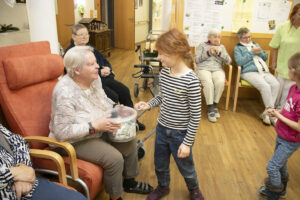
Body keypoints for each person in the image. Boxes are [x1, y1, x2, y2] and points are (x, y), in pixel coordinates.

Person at [49, 46, 153, 200]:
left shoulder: (94, 79)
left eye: (96, 62)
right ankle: (115, 198)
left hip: (97, 128)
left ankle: (130, 182)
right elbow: (62, 132)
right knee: (114, 158)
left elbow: (103, 101)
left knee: (128, 139)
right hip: (73, 140)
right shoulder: (65, 92)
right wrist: (94, 126)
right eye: (91, 64)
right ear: (77, 70)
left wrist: (115, 108)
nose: (98, 66)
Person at [135, 28, 204, 200]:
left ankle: (194, 189)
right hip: (161, 129)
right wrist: (148, 105)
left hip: (180, 134)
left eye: (161, 54)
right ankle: (163, 186)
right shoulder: (165, 72)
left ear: (176, 52)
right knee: (160, 164)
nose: (158, 58)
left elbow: (196, 116)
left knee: (186, 167)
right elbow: (161, 96)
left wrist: (187, 143)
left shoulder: (191, 80)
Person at [64, 23, 145, 130]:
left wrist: (108, 68)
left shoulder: (90, 48)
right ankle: (117, 125)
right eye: (81, 35)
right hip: (90, 83)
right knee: (113, 96)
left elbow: (104, 60)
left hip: (103, 78)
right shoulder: (71, 53)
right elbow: (74, 73)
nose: (85, 37)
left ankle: (132, 121)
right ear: (73, 36)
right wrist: (99, 72)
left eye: (86, 34)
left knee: (124, 90)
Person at [0, 124, 87, 200]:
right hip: (7, 193)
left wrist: (23, 166)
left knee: (78, 198)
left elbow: (18, 140)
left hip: (27, 182)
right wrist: (14, 174)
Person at [258, 52, 300, 200]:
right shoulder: (294, 88)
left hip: (291, 140)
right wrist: (278, 111)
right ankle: (282, 190)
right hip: (282, 134)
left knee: (272, 167)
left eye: (289, 69)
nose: (287, 71)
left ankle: (273, 193)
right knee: (280, 165)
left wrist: (279, 116)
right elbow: (288, 109)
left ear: (294, 72)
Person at [234, 27, 280, 125]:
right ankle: (271, 114)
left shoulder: (255, 44)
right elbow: (239, 62)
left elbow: (265, 57)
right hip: (248, 72)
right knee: (265, 86)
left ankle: (266, 113)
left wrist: (261, 53)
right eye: (245, 38)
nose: (248, 39)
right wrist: (251, 53)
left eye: (249, 37)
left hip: (263, 71)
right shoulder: (237, 48)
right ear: (240, 38)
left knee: (276, 84)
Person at [195, 29, 231, 122]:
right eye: (215, 36)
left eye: (219, 37)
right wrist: (209, 53)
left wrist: (219, 53)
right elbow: (196, 60)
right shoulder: (202, 45)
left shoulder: (222, 47)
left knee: (220, 82)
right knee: (208, 83)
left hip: (217, 69)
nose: (217, 38)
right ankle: (210, 108)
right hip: (203, 68)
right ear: (209, 37)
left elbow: (228, 61)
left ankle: (215, 105)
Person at [269, 4, 300, 111]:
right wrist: (274, 61)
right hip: (282, 65)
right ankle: (270, 112)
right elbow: (275, 46)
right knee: (276, 93)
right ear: (294, 14)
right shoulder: (283, 26)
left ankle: (281, 115)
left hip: (297, 69)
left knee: (288, 96)